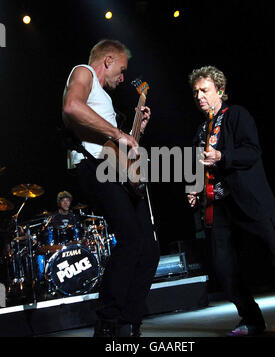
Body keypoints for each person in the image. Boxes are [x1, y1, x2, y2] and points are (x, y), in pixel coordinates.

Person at [187, 65, 275, 337]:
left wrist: (222, 156)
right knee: (225, 269)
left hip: (251, 202)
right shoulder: (201, 130)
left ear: (220, 90)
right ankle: (250, 319)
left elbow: (252, 151)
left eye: (205, 90)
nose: (199, 96)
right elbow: (197, 167)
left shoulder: (236, 115)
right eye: (196, 92)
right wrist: (194, 190)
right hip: (220, 209)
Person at [62, 39, 160, 337]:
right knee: (130, 239)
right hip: (93, 167)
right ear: (108, 60)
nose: (122, 76)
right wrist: (119, 132)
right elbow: (71, 107)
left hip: (116, 171)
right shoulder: (84, 73)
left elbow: (124, 151)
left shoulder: (104, 101)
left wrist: (136, 131)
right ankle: (108, 321)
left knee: (150, 248)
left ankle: (130, 321)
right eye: (122, 69)